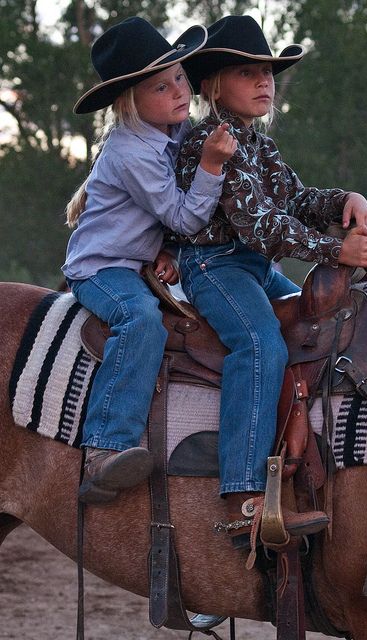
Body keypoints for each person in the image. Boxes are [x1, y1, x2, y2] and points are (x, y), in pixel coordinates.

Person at [173, 15, 367, 547]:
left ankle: (312, 463)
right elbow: (260, 226)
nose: (265, 81)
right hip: (215, 266)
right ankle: (243, 496)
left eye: (268, 71)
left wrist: (341, 202)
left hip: (256, 267)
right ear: (215, 85)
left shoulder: (261, 147)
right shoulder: (207, 142)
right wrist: (337, 248)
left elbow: (297, 201)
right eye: (249, 72)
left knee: (326, 327)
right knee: (260, 344)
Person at [62, 16, 236, 504]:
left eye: (180, 77)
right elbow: (183, 216)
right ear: (130, 102)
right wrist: (212, 166)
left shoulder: (173, 130)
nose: (179, 91)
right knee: (141, 321)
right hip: (102, 268)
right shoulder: (131, 151)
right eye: (161, 87)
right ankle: (105, 448)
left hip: (138, 258)